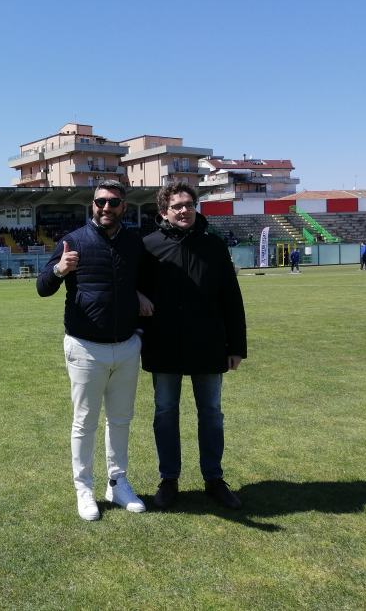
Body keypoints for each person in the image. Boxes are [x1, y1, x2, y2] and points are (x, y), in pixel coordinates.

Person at [37, 180, 151, 521]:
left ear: (123, 207)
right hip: (85, 347)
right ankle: (83, 488)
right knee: (84, 422)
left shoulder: (134, 242)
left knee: (121, 420)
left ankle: (117, 483)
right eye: (100, 201)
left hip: (127, 346)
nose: (106, 207)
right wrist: (60, 269)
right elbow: (43, 287)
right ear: (92, 204)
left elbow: (141, 281)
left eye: (113, 202)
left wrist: (138, 296)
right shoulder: (74, 240)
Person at [139, 181, 247, 510]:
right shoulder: (149, 245)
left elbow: (231, 296)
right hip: (164, 345)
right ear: (163, 212)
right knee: (165, 414)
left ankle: (214, 479)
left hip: (208, 344)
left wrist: (237, 345)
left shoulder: (213, 244)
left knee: (211, 415)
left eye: (188, 204)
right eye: (177, 206)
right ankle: (169, 480)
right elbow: (132, 285)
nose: (184, 210)